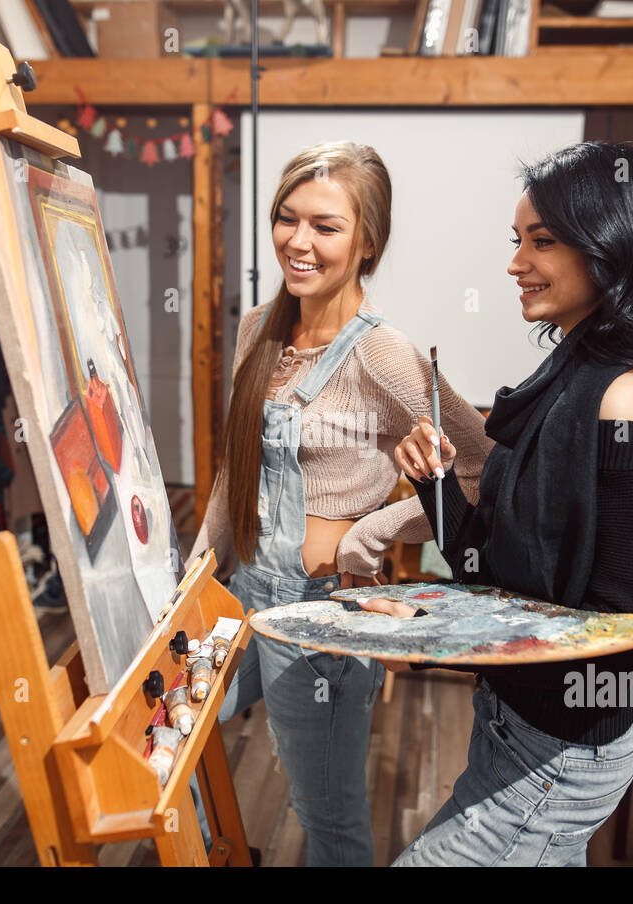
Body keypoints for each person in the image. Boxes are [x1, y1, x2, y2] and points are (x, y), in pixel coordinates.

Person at [362, 141, 633, 866]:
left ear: (611, 246)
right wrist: (436, 485)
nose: (515, 262)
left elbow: (624, 643)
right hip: (517, 727)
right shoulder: (575, 373)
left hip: (559, 754)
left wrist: (441, 641)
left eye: (543, 241)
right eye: (517, 240)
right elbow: (493, 573)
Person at [189, 141, 491, 866]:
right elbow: (237, 465)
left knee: (324, 817)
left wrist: (377, 529)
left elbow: (480, 468)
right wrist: (196, 569)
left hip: (321, 609)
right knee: (172, 745)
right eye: (286, 219)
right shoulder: (257, 327)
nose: (298, 240)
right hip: (242, 590)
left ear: (367, 243)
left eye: (325, 226)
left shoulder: (382, 352)